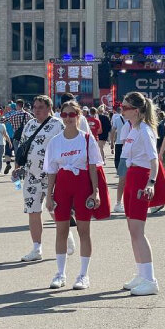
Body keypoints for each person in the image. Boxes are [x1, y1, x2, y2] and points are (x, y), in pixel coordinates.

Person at [43, 101, 106, 290]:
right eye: (64, 115)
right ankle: (60, 273)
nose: (68, 118)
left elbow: (94, 166)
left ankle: (83, 274)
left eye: (72, 115)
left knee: (83, 231)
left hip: (82, 185)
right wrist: (49, 195)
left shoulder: (87, 139)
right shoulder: (55, 141)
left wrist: (95, 192)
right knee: (61, 230)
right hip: (62, 185)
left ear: (79, 116)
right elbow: (52, 170)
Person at [119, 91, 165, 296]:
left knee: (138, 231)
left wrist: (150, 183)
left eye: (125, 107)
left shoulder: (144, 130)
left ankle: (150, 279)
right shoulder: (132, 128)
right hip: (133, 176)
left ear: (136, 110)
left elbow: (154, 160)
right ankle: (141, 273)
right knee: (133, 231)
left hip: (142, 177)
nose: (122, 110)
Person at [15, 95, 64, 262]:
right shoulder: (29, 124)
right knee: (33, 212)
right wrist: (17, 168)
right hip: (31, 175)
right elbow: (22, 147)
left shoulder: (58, 125)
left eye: (40, 107)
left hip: (51, 176)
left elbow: (63, 149)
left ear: (49, 108)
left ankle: (67, 237)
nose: (36, 110)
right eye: (35, 107)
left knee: (54, 210)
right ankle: (36, 248)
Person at [109, 105, 129, 213]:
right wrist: (112, 142)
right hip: (121, 145)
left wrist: (112, 141)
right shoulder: (118, 119)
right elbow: (113, 131)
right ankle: (118, 203)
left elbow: (113, 131)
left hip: (123, 146)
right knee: (122, 177)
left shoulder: (134, 120)